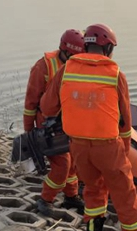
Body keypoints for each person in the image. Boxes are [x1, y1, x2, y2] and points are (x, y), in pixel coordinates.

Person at [40, 23, 137, 231]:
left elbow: (47, 107)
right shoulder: (115, 74)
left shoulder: (65, 69)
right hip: (108, 147)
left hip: (78, 146)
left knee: (93, 190)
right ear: (107, 49)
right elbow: (125, 121)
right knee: (126, 198)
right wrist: (124, 150)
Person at [23, 29, 85, 216]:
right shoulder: (43, 67)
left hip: (70, 123)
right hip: (48, 125)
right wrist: (29, 132)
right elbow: (30, 102)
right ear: (63, 50)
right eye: (72, 56)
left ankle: (71, 196)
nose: (75, 59)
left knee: (73, 163)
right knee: (62, 166)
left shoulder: (80, 65)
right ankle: (45, 200)